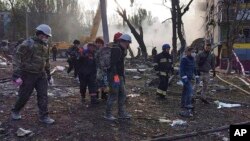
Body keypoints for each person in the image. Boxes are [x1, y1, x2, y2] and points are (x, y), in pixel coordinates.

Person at [11, 24, 55, 124]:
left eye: (48, 36)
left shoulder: (46, 46)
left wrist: (49, 75)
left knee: (43, 95)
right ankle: (15, 110)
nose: (47, 38)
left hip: (41, 75)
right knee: (24, 95)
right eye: (46, 36)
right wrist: (16, 75)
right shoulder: (27, 44)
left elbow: (46, 61)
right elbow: (17, 59)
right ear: (40, 34)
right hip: (28, 75)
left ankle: (44, 116)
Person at [104, 34, 132, 120]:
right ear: (125, 41)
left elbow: (120, 65)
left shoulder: (122, 50)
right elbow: (113, 65)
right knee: (113, 94)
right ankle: (108, 114)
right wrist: (116, 77)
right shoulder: (117, 50)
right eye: (128, 42)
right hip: (115, 76)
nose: (128, 44)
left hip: (119, 76)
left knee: (122, 94)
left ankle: (121, 113)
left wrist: (122, 76)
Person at [179, 47, 199, 117]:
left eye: (193, 52)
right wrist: (184, 78)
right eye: (191, 52)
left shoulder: (193, 59)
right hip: (185, 78)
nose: (193, 53)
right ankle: (188, 105)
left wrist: (197, 76)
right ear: (187, 52)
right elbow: (181, 70)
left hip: (189, 77)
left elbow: (194, 68)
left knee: (185, 90)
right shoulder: (184, 59)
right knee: (190, 90)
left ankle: (182, 104)